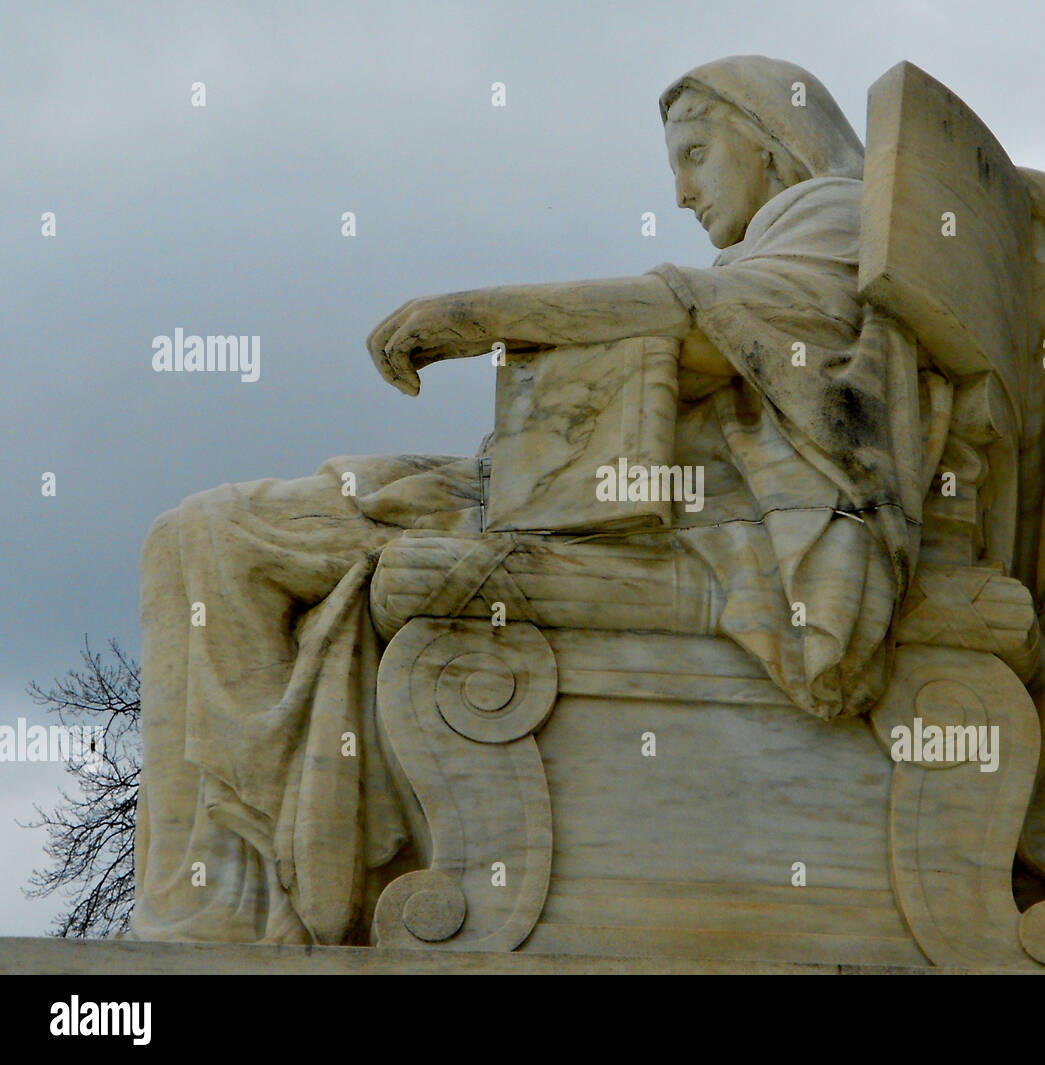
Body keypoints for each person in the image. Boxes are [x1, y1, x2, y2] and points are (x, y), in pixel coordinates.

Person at [132, 55, 924, 945]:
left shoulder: (835, 217)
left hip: (663, 530)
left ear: (776, 143)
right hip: (567, 504)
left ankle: (239, 899)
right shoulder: (780, 248)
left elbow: (684, 310)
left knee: (209, 534)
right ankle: (250, 880)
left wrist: (478, 316)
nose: (680, 191)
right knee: (196, 535)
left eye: (697, 154)